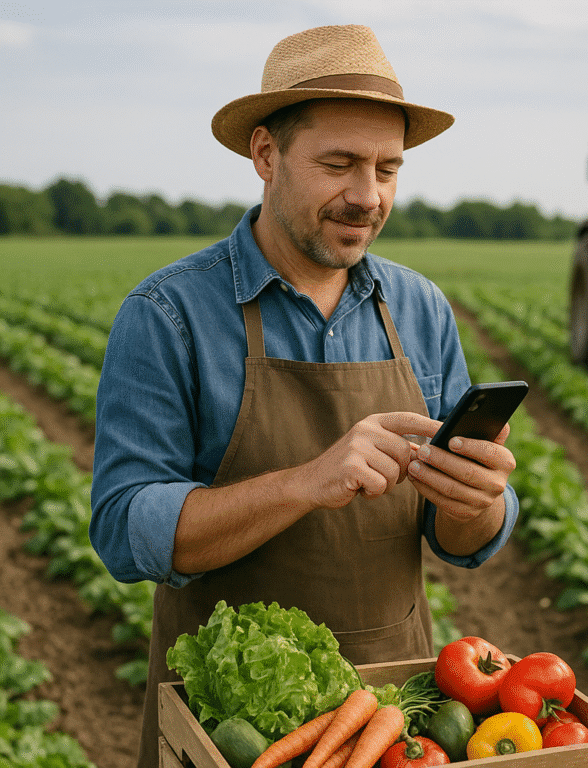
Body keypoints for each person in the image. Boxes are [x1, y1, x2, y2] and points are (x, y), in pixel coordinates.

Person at [89, 24, 520, 768]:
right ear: (266, 154)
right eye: (340, 164)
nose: (367, 196)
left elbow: (462, 543)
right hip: (226, 727)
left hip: (390, 719)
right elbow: (126, 530)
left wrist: (474, 502)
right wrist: (307, 482)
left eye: (388, 168)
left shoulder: (420, 309)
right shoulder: (168, 315)